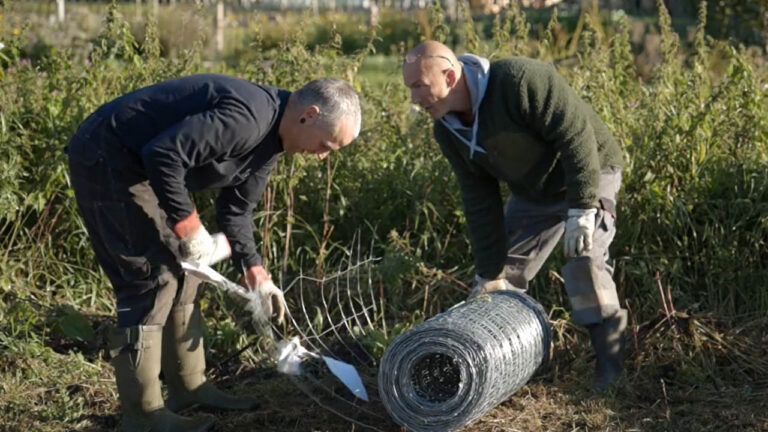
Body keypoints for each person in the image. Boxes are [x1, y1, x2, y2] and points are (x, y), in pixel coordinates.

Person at [66, 75, 361, 431]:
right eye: (327, 144)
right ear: (309, 115)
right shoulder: (249, 118)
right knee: (149, 277)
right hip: (106, 155)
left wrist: (257, 273)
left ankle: (189, 388)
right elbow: (163, 154)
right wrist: (189, 226)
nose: (322, 156)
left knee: (188, 271)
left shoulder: (272, 142)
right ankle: (142, 416)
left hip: (140, 166)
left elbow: (236, 211)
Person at [402, 40, 626, 390]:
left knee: (584, 261)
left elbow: (576, 135)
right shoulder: (446, 129)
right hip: (534, 193)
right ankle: (503, 370)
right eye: (409, 88)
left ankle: (611, 367)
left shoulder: (520, 80)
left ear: (448, 76)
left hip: (589, 171)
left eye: (419, 86)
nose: (414, 99)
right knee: (500, 281)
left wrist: (582, 207)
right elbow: (479, 198)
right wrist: (487, 271)